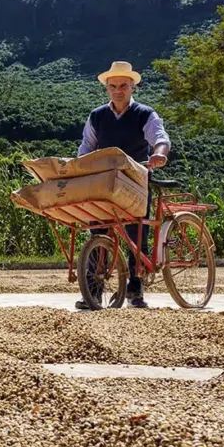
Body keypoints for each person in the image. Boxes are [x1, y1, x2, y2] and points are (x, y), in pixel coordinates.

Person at [76, 61, 171, 310]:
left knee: (136, 232)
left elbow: (160, 138)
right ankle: (93, 292)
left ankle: (135, 286)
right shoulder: (97, 116)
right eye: (113, 86)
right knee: (98, 230)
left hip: (136, 179)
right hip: (105, 181)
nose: (118, 90)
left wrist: (159, 154)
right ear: (107, 89)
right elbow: (86, 147)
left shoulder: (145, 114)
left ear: (133, 88)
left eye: (124, 86)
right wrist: (77, 168)